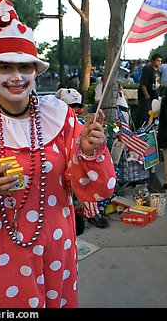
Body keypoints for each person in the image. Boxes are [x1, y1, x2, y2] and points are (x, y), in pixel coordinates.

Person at [0, 0, 116, 308]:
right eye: (5, 67)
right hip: (2, 255)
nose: (16, 76)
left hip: (58, 248)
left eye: (24, 67)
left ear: (36, 71)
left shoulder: (60, 117)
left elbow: (94, 191)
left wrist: (89, 152)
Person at [55, 87, 110, 229]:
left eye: (77, 107)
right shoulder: (54, 124)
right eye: (71, 107)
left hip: (77, 162)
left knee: (86, 181)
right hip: (61, 166)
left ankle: (92, 213)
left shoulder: (80, 124)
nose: (74, 110)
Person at [137, 53, 162, 128]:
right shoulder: (147, 70)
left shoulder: (158, 72)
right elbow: (143, 84)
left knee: (153, 119)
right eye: (157, 60)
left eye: (160, 61)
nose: (159, 62)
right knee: (145, 117)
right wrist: (146, 95)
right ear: (153, 61)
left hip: (154, 99)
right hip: (146, 99)